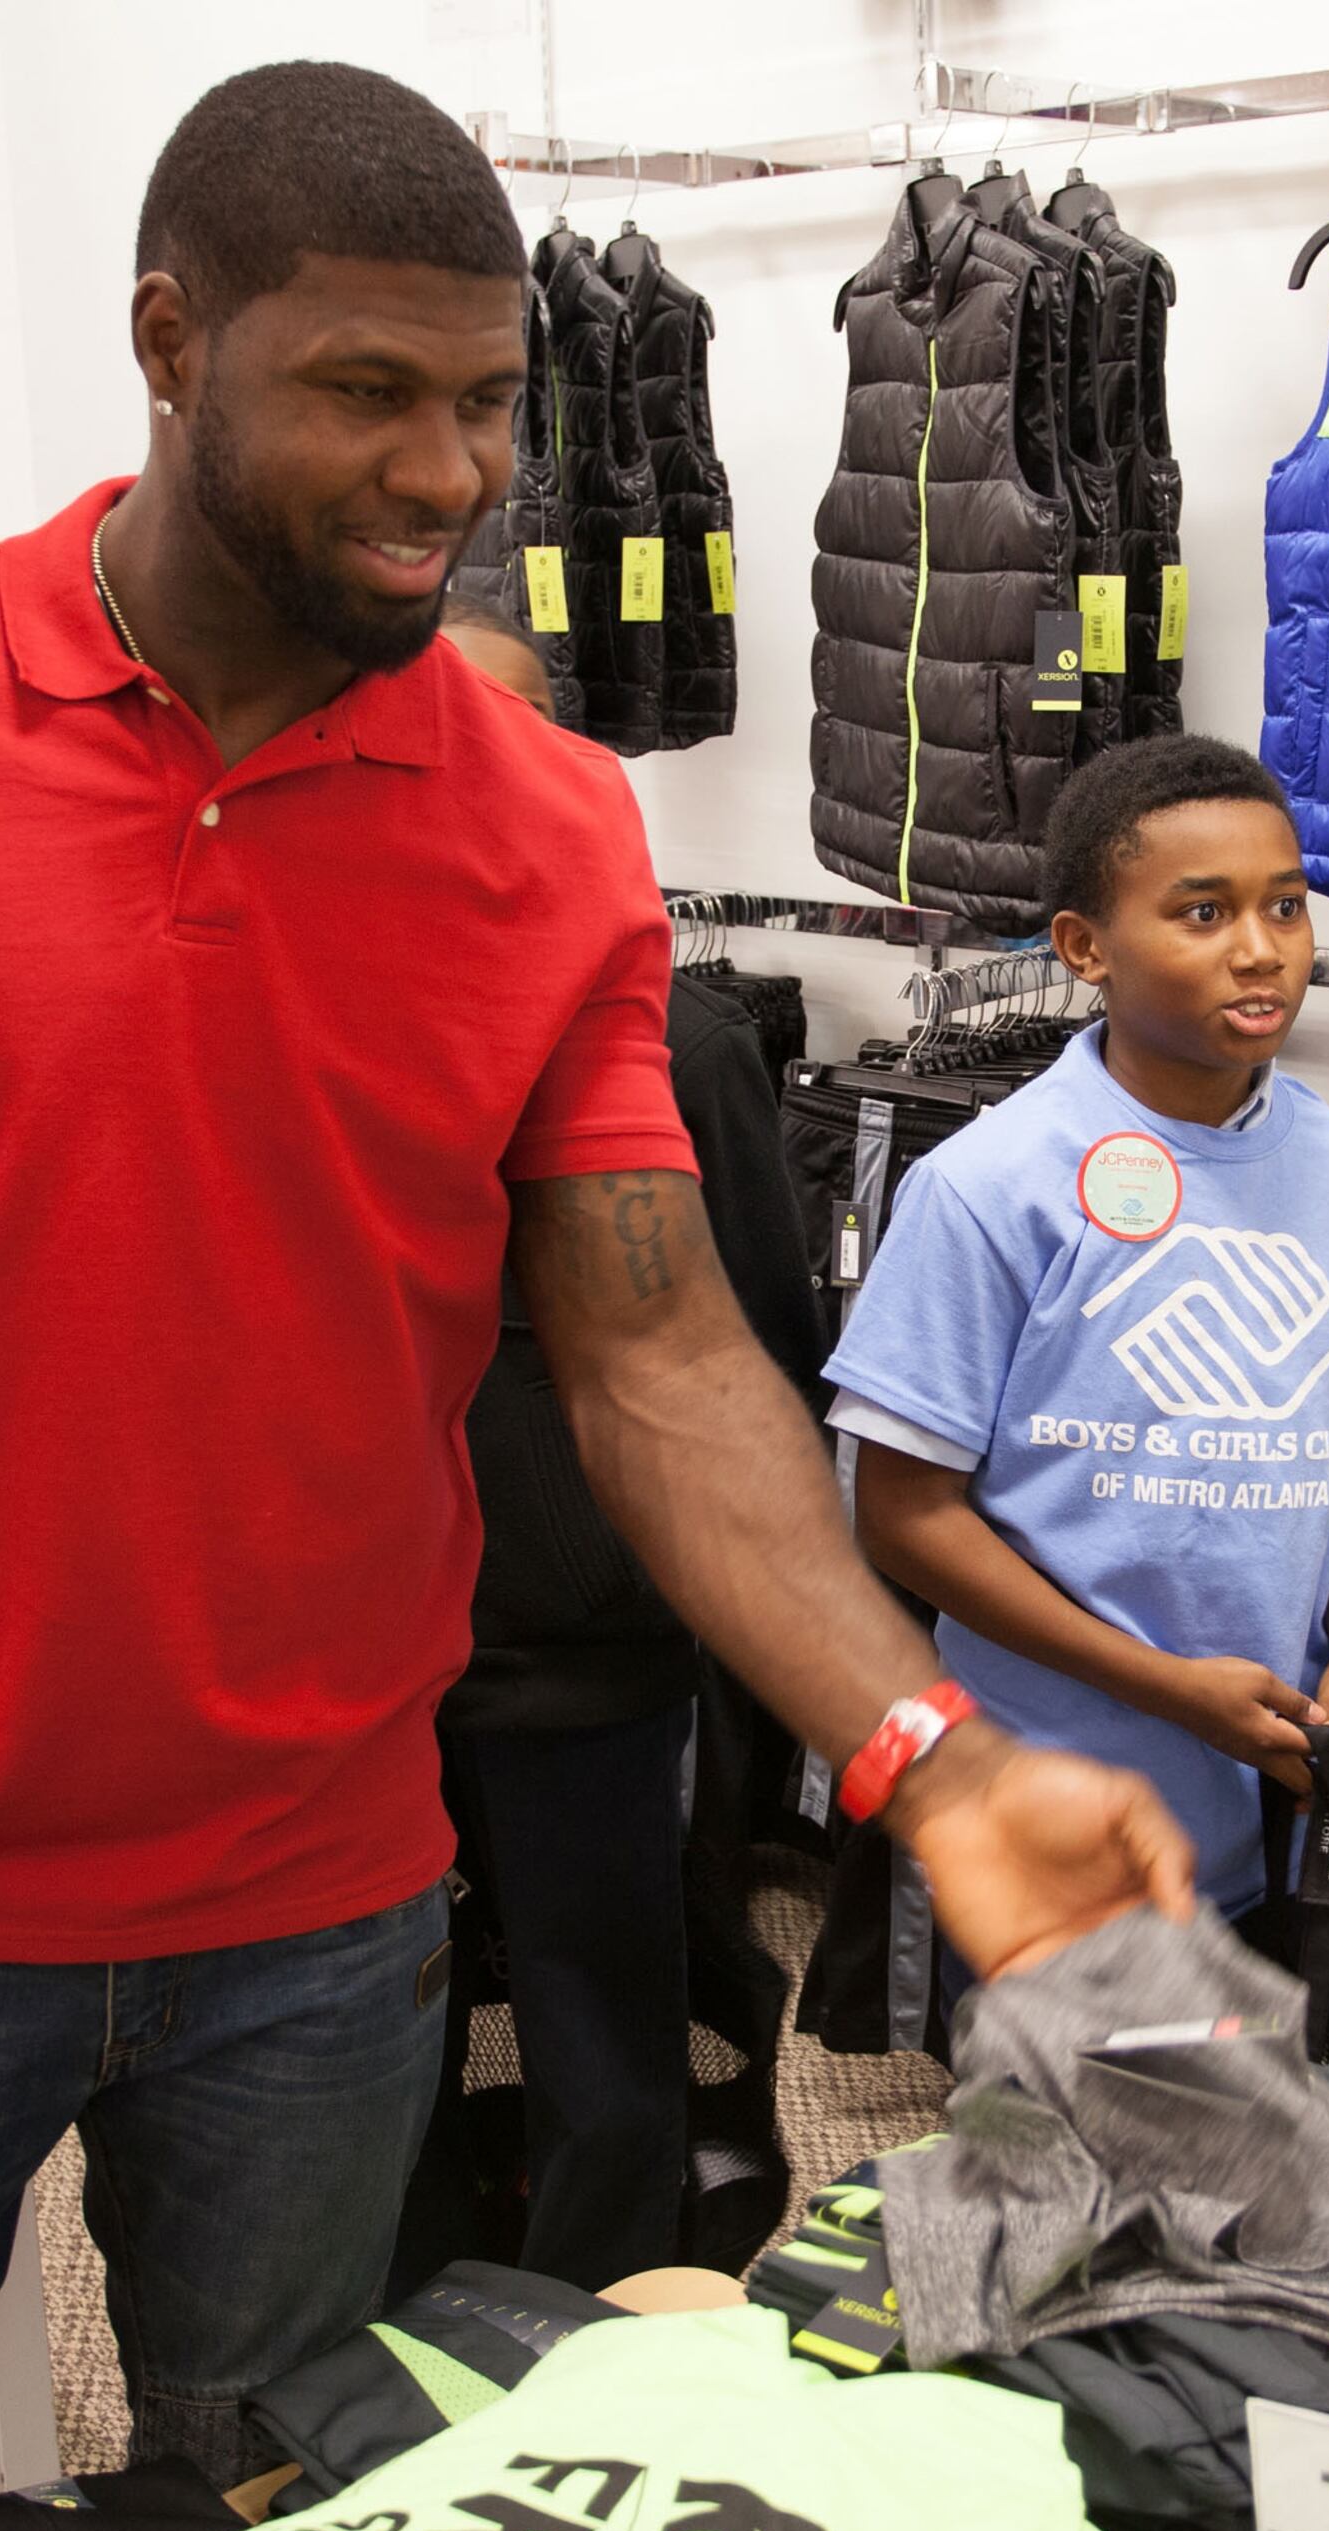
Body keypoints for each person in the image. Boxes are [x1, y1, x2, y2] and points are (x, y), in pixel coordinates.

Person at [0, 63, 1188, 2531]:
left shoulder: (549, 830)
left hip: (323, 1901)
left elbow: (659, 1357)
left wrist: (920, 1746)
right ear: (168, 339)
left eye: (485, 403)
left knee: (270, 2512)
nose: (451, 474)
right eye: (366, 391)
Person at [388, 596, 825, 2293]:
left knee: (603, 2013)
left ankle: (601, 2332)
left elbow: (748, 1361)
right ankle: (396, 2330)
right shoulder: (298, 1007)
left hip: (589, 1650)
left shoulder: (683, 1038)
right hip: (364, 1655)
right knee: (374, 2031)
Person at [822, 735, 1329, 1925]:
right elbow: (900, 1516)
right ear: (1084, 947)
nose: (1260, 949)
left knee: (1255, 2085)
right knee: (1052, 2105)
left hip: (1273, 1766)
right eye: (1202, 913)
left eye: (1287, 905)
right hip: (1053, 1789)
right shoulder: (989, 1185)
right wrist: (1165, 1689)